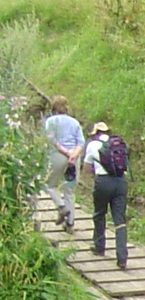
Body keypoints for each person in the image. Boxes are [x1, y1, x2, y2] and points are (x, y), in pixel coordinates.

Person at [82, 121, 129, 269]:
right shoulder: (117, 144)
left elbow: (86, 168)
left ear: (94, 133)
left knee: (99, 213)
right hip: (121, 182)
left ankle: (99, 246)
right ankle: (122, 257)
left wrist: (95, 173)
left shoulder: (92, 145)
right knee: (120, 220)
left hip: (103, 182)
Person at [42, 96, 84, 227]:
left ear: (53, 107)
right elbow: (81, 142)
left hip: (58, 156)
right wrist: (74, 154)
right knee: (69, 191)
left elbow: (52, 140)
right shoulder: (74, 122)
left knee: (49, 184)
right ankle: (70, 224)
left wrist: (66, 152)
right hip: (74, 158)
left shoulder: (51, 121)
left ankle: (61, 207)